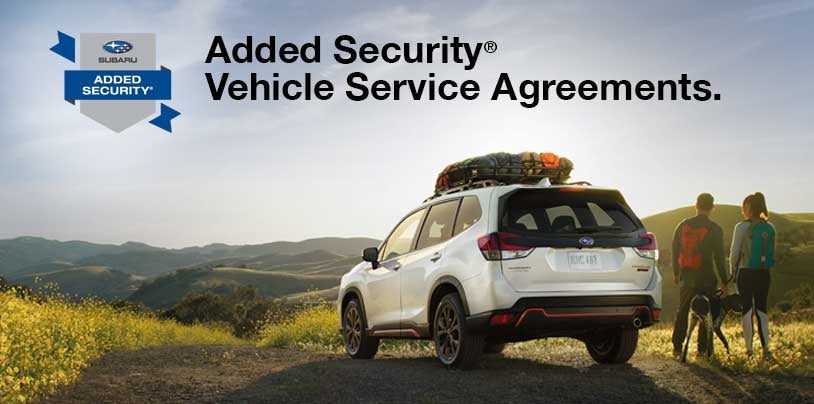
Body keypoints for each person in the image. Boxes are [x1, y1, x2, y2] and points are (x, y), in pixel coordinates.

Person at [671, 193, 729, 358]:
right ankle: (702, 350)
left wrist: (676, 273)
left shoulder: (683, 225)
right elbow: (719, 257)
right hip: (707, 278)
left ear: (696, 205)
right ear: (712, 208)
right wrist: (724, 281)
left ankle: (676, 347)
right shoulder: (715, 229)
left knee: (682, 311)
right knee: (705, 313)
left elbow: (675, 249)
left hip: (687, 277)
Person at [731, 192, 776, 361]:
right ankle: (766, 349)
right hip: (764, 273)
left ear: (749, 207)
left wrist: (732, 272)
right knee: (762, 310)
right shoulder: (770, 227)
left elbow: (735, 253)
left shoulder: (741, 227)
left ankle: (749, 351)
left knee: (747, 310)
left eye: (744, 207)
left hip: (746, 272)